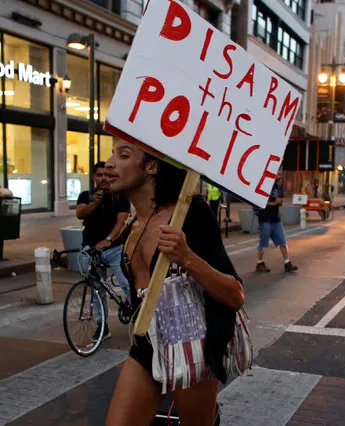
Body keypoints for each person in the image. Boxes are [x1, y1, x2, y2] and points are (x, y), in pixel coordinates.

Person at [104, 140, 244, 426]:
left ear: (152, 166)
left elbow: (235, 295)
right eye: (112, 153)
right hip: (146, 342)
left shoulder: (191, 214)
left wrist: (187, 258)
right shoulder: (133, 225)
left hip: (191, 342)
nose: (109, 163)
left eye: (123, 155)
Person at [76, 161, 131, 340]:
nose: (103, 179)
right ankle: (102, 325)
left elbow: (121, 222)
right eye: (99, 175)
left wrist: (108, 240)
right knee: (96, 289)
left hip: (114, 248)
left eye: (107, 175)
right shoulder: (87, 195)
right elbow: (80, 213)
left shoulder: (120, 196)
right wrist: (95, 203)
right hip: (91, 249)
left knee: (126, 283)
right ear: (94, 177)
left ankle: (138, 316)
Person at [255, 170, 298, 273]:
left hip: (276, 219)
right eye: (279, 174)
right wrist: (275, 203)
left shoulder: (278, 187)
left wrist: (280, 202)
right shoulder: (264, 186)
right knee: (263, 243)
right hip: (265, 219)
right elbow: (260, 202)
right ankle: (259, 263)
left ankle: (287, 263)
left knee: (283, 242)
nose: (281, 175)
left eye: (281, 174)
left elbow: (281, 201)